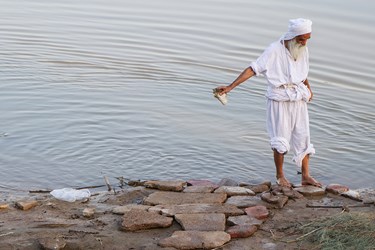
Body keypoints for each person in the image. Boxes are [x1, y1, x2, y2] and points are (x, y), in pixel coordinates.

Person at [215, 18, 322, 188]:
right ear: (293, 36)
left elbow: (302, 71)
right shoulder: (274, 50)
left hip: (298, 97)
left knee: (303, 135)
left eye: (308, 38)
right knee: (280, 140)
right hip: (279, 98)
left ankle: (305, 176)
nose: (305, 42)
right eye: (302, 39)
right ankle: (280, 176)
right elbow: (253, 69)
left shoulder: (302, 48)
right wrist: (230, 87)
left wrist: (309, 89)